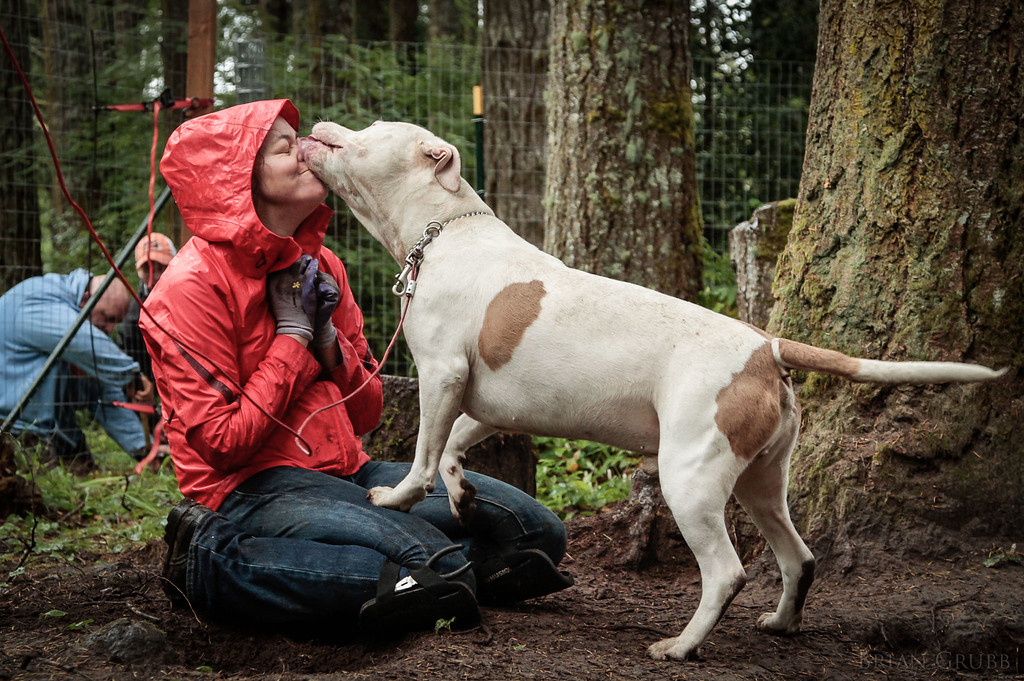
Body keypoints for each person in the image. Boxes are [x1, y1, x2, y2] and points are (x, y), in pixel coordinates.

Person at [140, 99, 572, 635]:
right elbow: (223, 444)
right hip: (246, 490)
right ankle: (211, 562)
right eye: (283, 148)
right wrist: (294, 340)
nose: (304, 153)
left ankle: (430, 580)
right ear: (237, 178)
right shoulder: (187, 289)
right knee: (433, 562)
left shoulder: (321, 266)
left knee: (536, 534)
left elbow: (368, 410)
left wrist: (325, 339)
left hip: (349, 472)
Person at [0, 270, 155, 468]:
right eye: (107, 317)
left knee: (87, 478)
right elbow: (81, 341)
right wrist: (132, 375)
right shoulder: (39, 296)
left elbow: (107, 393)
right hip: (14, 429)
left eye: (116, 322)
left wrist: (145, 449)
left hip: (59, 432)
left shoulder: (84, 330)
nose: (110, 329)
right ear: (86, 299)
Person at [118, 232, 177, 382]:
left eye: (160, 267)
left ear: (174, 263)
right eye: (147, 269)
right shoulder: (134, 316)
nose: (154, 276)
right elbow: (126, 350)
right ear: (139, 272)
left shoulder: (193, 296)